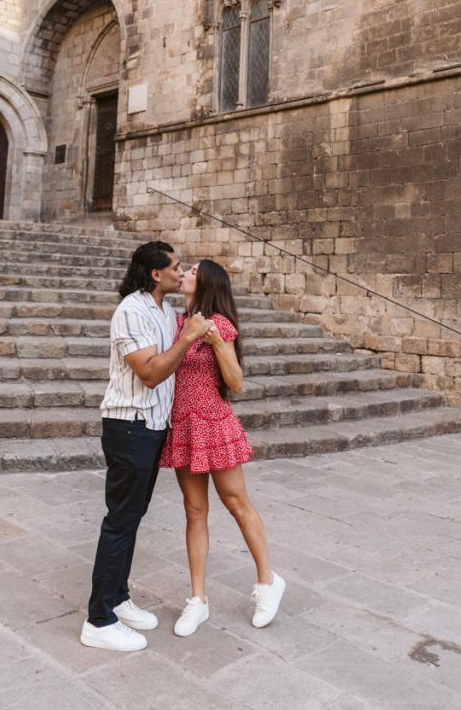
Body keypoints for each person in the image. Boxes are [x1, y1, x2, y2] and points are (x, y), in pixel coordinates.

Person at [81, 241, 212, 653]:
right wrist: (188, 338)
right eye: (175, 267)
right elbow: (151, 373)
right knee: (120, 521)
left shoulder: (161, 311)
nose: (180, 271)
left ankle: (117, 599)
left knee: (132, 517)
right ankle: (99, 620)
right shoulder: (132, 311)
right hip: (129, 427)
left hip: (152, 427)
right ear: (155, 274)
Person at [159, 259, 286, 637]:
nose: (184, 273)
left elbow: (235, 382)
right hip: (183, 425)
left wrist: (215, 343)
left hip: (213, 424)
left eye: (193, 271)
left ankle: (268, 582)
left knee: (236, 503)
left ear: (208, 283)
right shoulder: (175, 323)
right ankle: (197, 600)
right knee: (194, 511)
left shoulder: (220, 325)